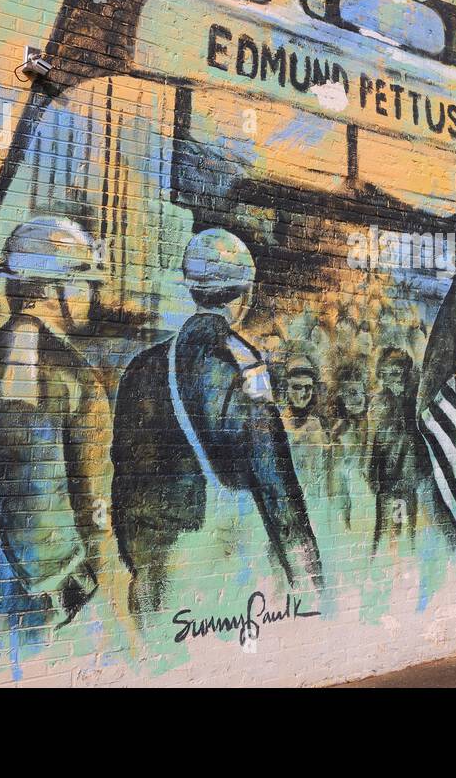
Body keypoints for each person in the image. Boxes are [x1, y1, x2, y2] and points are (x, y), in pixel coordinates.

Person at [111, 228, 322, 620]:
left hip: (153, 566)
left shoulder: (141, 367)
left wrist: (138, 562)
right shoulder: (245, 368)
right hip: (219, 571)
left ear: (192, 290)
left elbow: (124, 477)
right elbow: (275, 484)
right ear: (244, 296)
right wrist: (310, 578)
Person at [0, 216, 116, 629]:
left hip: (20, 566)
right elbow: (31, 483)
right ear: (57, 289)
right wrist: (66, 580)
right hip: (44, 583)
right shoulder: (36, 357)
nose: (92, 296)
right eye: (86, 283)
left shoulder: (9, 350)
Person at [369, 347, 420, 554]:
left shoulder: (412, 401)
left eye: (400, 371)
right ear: (382, 374)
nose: (396, 376)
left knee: (408, 530)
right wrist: (373, 475)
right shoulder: (379, 403)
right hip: (389, 479)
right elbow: (374, 443)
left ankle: (406, 562)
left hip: (408, 478)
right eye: (390, 372)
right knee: (385, 530)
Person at [327, 361, 372, 535]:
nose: (357, 399)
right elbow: (337, 486)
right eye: (350, 394)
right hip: (351, 505)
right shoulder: (339, 433)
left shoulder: (371, 425)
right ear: (340, 398)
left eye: (360, 393)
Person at [281, 353, 326, 496]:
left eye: (308, 387)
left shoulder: (315, 426)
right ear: (286, 388)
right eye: (297, 387)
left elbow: (317, 476)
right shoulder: (277, 422)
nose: (303, 394)